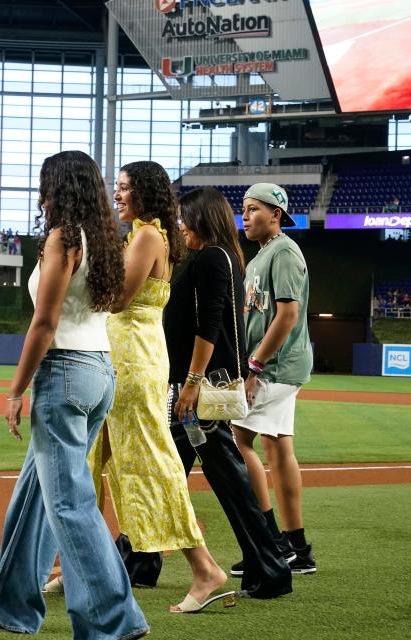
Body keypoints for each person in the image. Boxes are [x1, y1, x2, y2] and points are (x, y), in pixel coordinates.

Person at [0, 150, 148, 639]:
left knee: (69, 504)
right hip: (98, 371)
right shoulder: (106, 239)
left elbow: (44, 323)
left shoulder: (64, 238)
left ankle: (115, 618)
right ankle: (14, 606)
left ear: (59, 188)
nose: (41, 195)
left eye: (46, 185)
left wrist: (14, 390)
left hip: (63, 372)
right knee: (34, 497)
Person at [76, 161, 232, 613]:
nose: (118, 194)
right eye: (117, 187)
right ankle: (80, 567)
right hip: (119, 357)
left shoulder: (147, 237)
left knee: (149, 463)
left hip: (134, 361)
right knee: (95, 461)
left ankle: (205, 569)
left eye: (125, 188)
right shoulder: (143, 233)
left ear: (144, 192)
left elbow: (119, 298)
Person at [163, 187, 293, 599]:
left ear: (201, 218)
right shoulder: (214, 257)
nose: (181, 225)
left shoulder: (213, 257)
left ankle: (271, 570)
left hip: (201, 391)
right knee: (168, 474)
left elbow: (210, 323)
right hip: (197, 387)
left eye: (186, 217)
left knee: (228, 482)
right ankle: (138, 558)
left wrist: (191, 383)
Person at [233, 182, 316, 575]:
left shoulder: (283, 251)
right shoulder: (262, 255)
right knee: (278, 448)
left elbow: (287, 316)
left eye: (252, 209)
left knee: (237, 442)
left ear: (276, 214)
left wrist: (254, 367)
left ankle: (269, 542)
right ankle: (297, 547)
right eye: (244, 209)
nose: (245, 216)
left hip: (275, 366)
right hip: (280, 365)